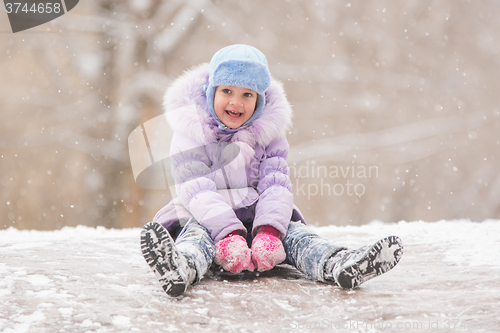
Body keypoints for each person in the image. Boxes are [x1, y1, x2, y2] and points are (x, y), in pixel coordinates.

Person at [140, 44, 403, 297]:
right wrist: (228, 233)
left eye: (247, 95)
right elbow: (195, 188)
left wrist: (269, 231)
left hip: (258, 214)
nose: (236, 102)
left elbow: (275, 184)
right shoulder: (192, 131)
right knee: (198, 238)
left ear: (260, 101)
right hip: (204, 216)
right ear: (211, 92)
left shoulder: (268, 134)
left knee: (299, 236)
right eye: (227, 91)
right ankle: (180, 266)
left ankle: (340, 263)